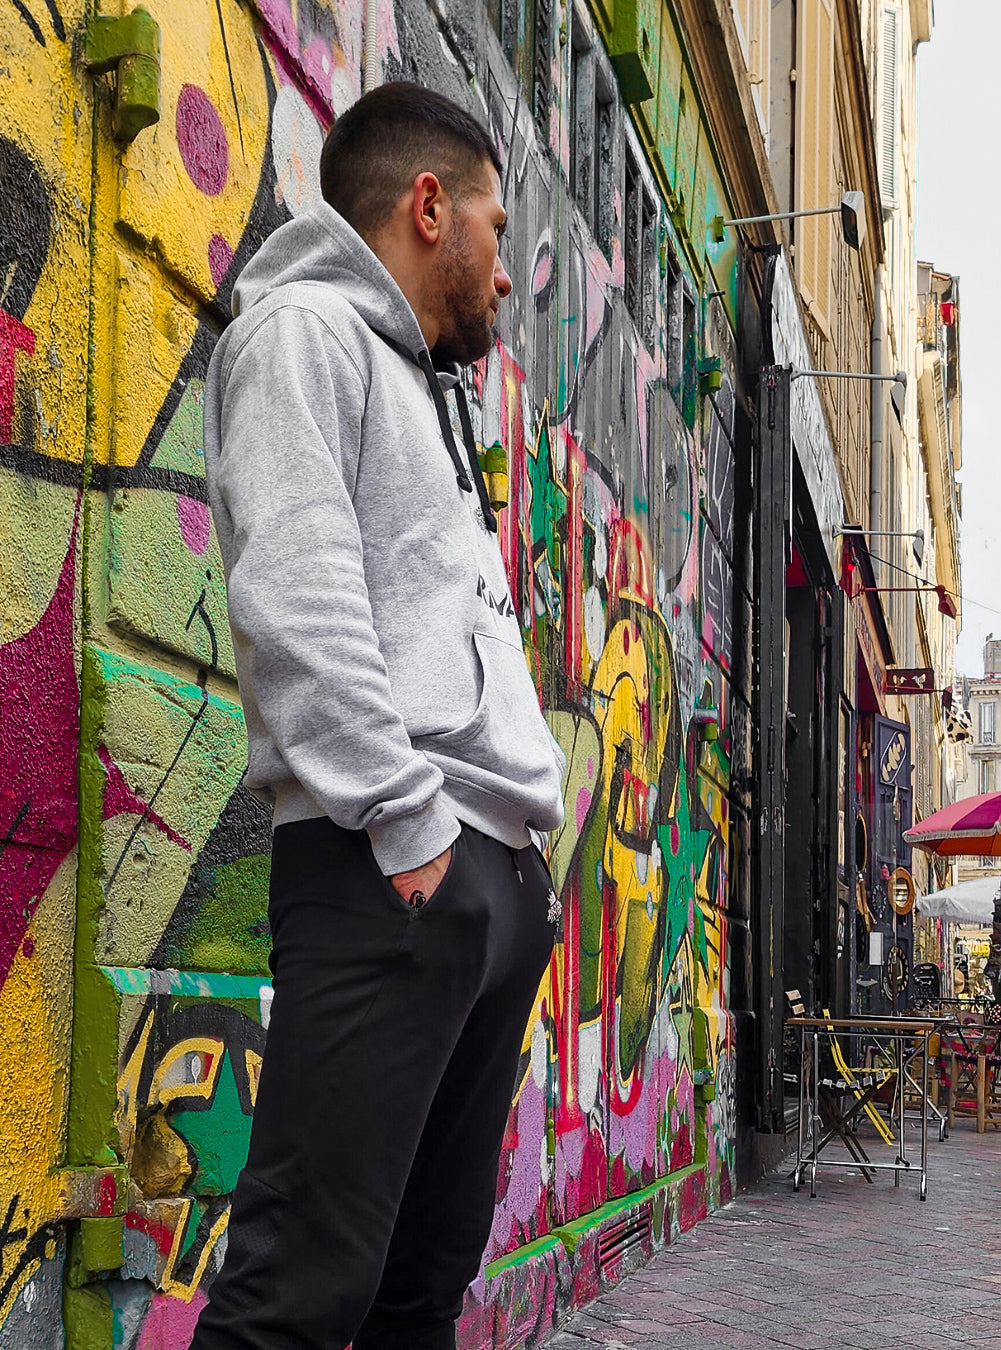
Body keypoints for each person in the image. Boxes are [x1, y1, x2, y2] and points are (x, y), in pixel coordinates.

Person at [190, 82, 566, 1350]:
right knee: (299, 1293)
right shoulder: (301, 332)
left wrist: (518, 878)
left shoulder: (419, 383)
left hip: (479, 880)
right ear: (427, 208)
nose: (505, 274)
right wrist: (409, 827)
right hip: (389, 868)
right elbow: (296, 595)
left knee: (420, 1289)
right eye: (496, 229)